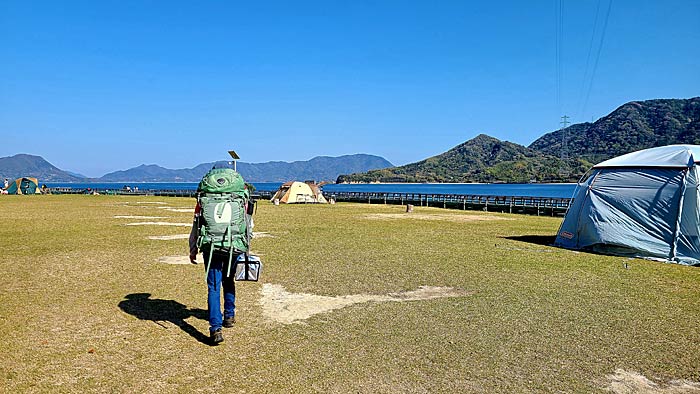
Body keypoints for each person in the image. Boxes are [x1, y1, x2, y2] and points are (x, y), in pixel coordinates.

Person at [189, 201, 237, 345]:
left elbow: (196, 223)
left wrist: (193, 248)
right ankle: (229, 315)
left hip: (211, 246)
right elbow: (247, 223)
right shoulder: (238, 196)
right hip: (233, 244)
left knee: (214, 287)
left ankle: (216, 328)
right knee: (228, 280)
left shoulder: (205, 198)